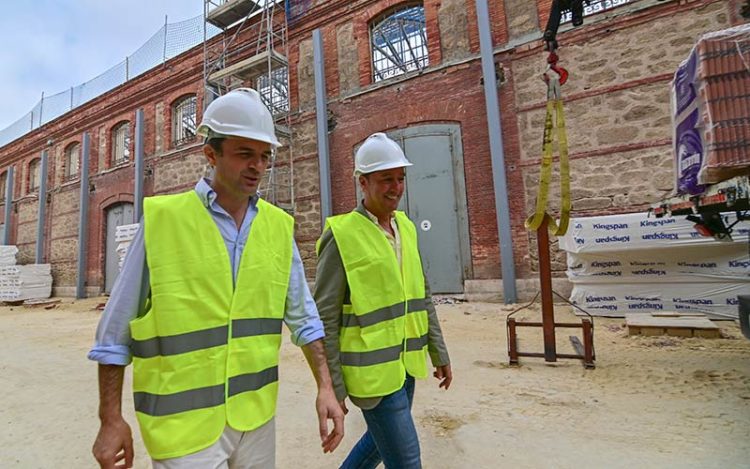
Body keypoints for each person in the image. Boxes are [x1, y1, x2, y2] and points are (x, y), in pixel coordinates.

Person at [88, 88, 344, 468]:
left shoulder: (277, 227)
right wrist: (110, 419)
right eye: (244, 154)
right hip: (183, 426)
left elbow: (304, 317)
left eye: (264, 156)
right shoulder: (164, 221)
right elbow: (115, 331)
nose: (257, 166)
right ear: (211, 155)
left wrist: (326, 385)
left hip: (255, 417)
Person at [314, 132, 452, 469]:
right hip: (370, 372)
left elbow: (422, 294)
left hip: (406, 364)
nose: (396, 187)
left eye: (400, 178)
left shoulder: (405, 227)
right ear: (363, 182)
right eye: (386, 179)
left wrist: (439, 351)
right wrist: (332, 386)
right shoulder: (342, 235)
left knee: (377, 444)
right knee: (406, 459)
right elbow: (324, 317)